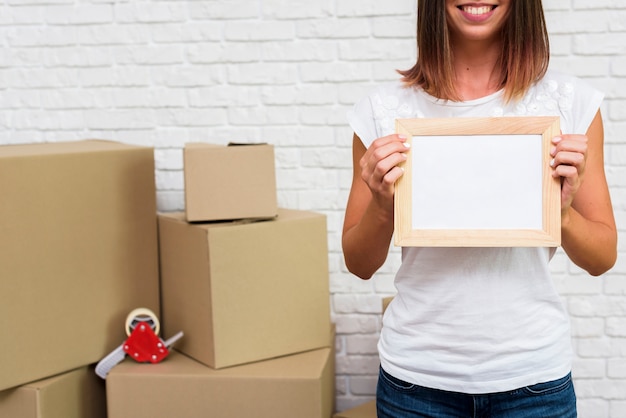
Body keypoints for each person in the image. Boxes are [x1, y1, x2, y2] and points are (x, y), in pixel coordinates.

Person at [342, 1, 618, 417]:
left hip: (534, 383)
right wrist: (383, 206)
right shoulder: (383, 110)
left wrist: (559, 213)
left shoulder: (571, 103)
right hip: (416, 382)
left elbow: (602, 257)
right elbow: (358, 263)